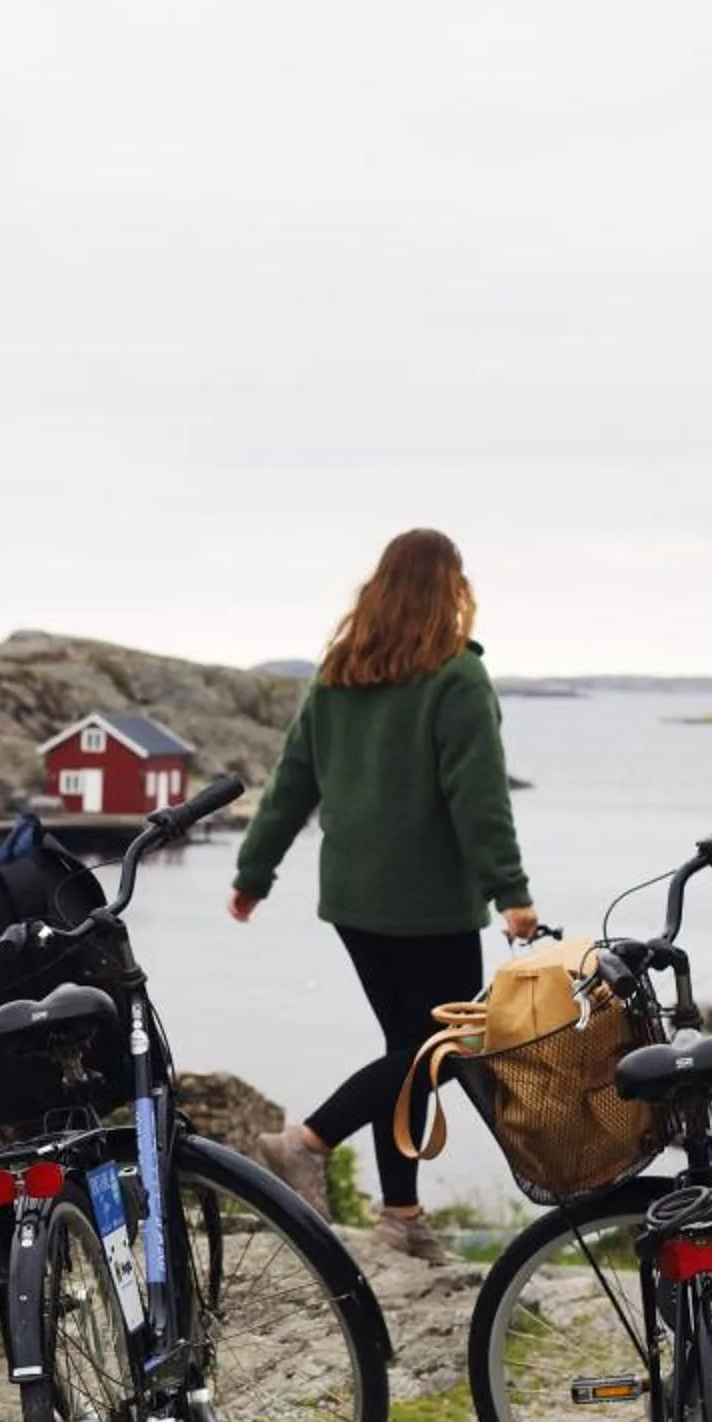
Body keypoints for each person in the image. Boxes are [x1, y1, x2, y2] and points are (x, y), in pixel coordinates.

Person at [226, 527, 535, 1265]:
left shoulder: (339, 674)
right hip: (429, 906)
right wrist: (511, 892)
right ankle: (307, 1141)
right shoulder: (456, 677)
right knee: (443, 1047)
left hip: (356, 904)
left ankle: (400, 1216)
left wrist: (253, 874)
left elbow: (291, 782)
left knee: (410, 1050)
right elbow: (478, 797)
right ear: (451, 589)